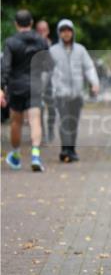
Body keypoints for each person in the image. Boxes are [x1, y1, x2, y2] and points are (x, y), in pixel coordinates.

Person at [1, 10, 50, 171]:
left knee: (16, 122)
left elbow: (5, 67)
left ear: (16, 24)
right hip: (35, 85)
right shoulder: (41, 41)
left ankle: (16, 155)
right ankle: (35, 155)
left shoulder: (10, 42)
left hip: (16, 87)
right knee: (35, 120)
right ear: (31, 23)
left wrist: (2, 87)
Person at [47, 19, 100, 162]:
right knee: (64, 121)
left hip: (77, 93)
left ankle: (71, 149)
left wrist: (94, 82)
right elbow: (47, 72)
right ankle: (65, 149)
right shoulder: (53, 51)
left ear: (72, 32)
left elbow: (88, 67)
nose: (66, 34)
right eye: (63, 31)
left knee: (74, 123)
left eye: (68, 30)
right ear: (59, 33)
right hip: (61, 93)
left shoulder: (80, 50)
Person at [35, 19, 58, 142]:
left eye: (44, 30)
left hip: (51, 80)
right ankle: (42, 133)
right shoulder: (32, 45)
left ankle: (50, 129)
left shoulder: (53, 46)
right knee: (39, 108)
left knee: (52, 108)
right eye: (39, 30)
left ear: (48, 31)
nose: (42, 33)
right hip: (37, 79)